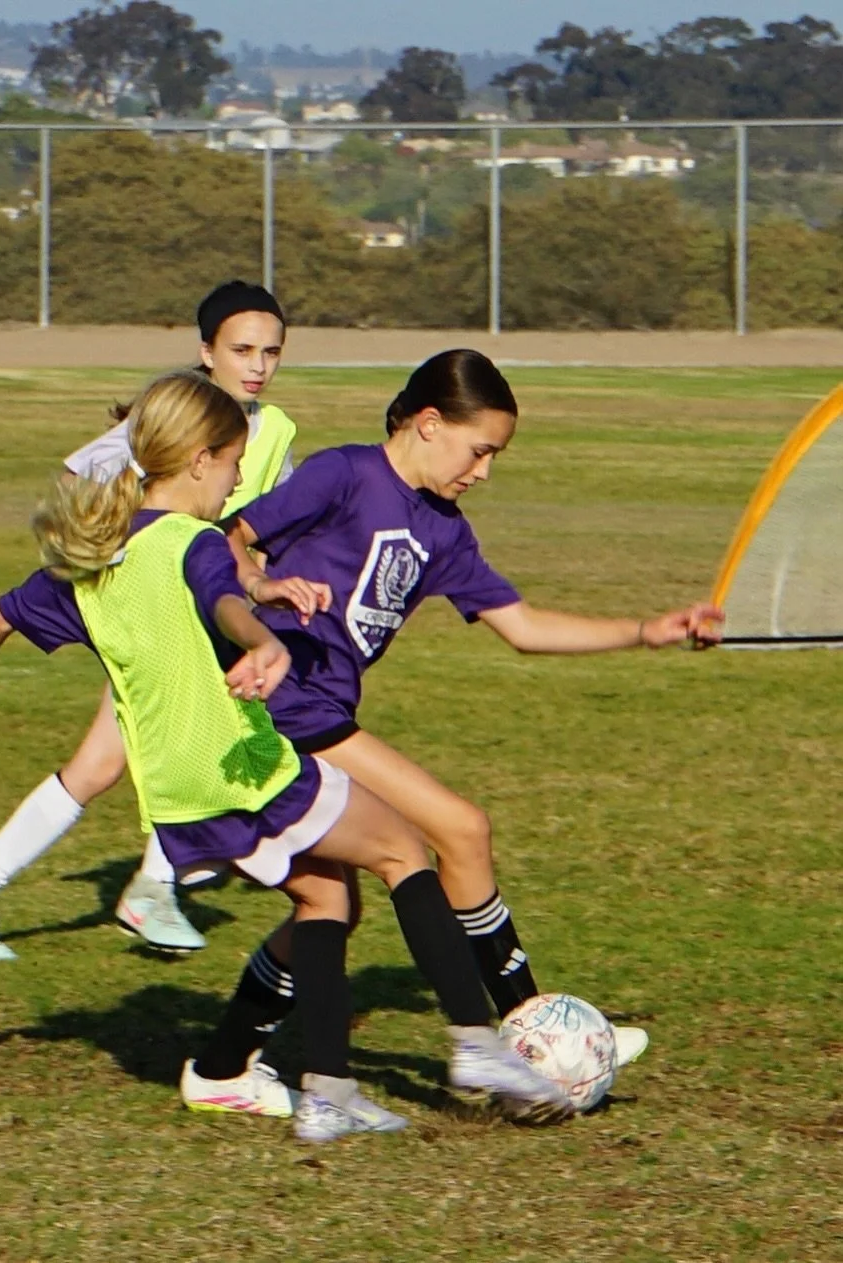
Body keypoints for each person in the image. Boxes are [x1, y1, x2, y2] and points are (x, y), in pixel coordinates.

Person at [0, 369, 573, 1140]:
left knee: (327, 897)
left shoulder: (98, 557)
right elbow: (222, 598)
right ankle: (476, 1044)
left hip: (175, 797)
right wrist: (265, 634)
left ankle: (308, 1087)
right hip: (243, 768)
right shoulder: (195, 541)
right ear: (202, 459)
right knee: (407, 847)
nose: (241, 479)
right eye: (238, 463)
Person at [223, 348, 723, 1075]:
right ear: (429, 423)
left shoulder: (445, 530)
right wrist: (261, 587)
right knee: (459, 826)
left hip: (322, 705)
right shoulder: (346, 473)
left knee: (330, 906)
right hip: (281, 701)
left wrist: (646, 630)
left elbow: (522, 627)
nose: (483, 471)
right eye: (479, 449)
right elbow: (231, 538)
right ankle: (532, 1030)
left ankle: (225, 1061)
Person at [0, 281, 309, 959]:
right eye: (241, 348)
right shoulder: (165, 421)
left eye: (271, 351)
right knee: (191, 743)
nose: (258, 364)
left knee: (104, 764)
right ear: (206, 351)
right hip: (152, 616)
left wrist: (262, 581)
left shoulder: (274, 431)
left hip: (199, 615)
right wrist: (120, 562)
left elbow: (239, 535)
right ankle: (154, 887)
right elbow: (81, 481)